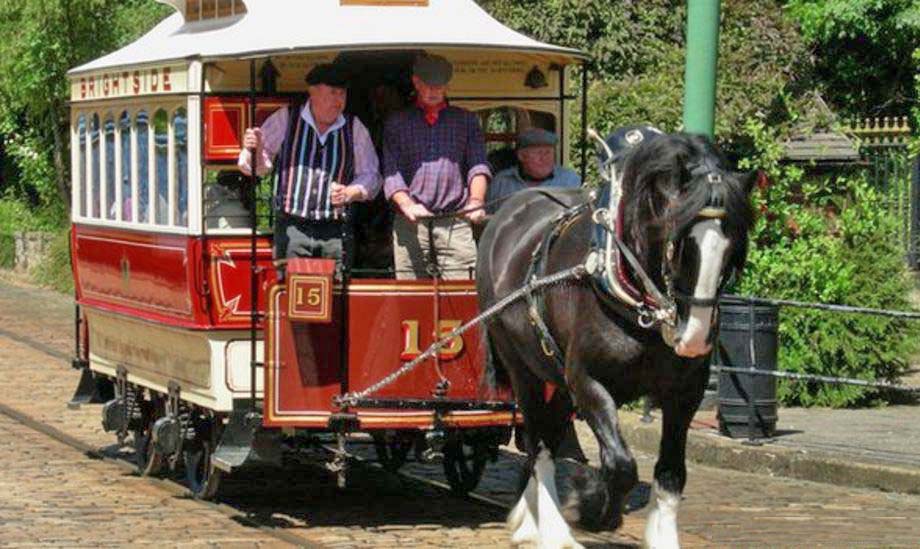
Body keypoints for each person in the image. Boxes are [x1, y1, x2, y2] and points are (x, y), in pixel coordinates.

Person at [238, 63, 381, 275]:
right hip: (292, 228)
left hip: (336, 230)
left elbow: (371, 175)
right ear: (312, 92)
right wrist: (256, 150)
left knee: (335, 292)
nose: (339, 100)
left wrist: (351, 192)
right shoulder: (286, 118)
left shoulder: (354, 127)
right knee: (294, 292)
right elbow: (257, 169)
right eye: (333, 93)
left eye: (343, 94)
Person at [383, 53, 491, 279]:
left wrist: (476, 202)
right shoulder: (397, 123)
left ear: (447, 86)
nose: (433, 91)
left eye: (438, 86)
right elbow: (391, 174)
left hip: (455, 220)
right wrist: (408, 205)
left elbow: (478, 165)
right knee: (411, 295)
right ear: (416, 82)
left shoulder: (466, 121)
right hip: (410, 222)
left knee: (464, 291)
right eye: (427, 85)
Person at [485, 128, 581, 214]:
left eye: (548, 152)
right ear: (521, 156)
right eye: (539, 153)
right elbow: (486, 223)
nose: (544, 158)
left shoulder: (570, 181)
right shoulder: (501, 182)